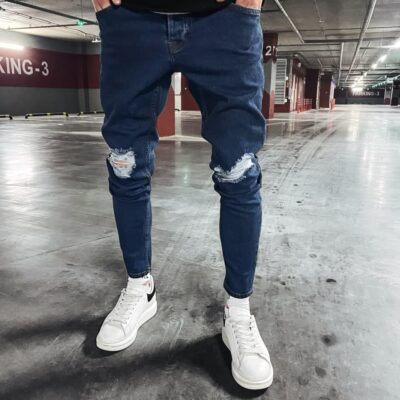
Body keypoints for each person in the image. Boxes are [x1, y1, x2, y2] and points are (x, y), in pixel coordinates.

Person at [92, 0, 273, 390]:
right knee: (125, 163)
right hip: (130, 19)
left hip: (225, 18)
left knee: (239, 169)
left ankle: (238, 310)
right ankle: (140, 288)